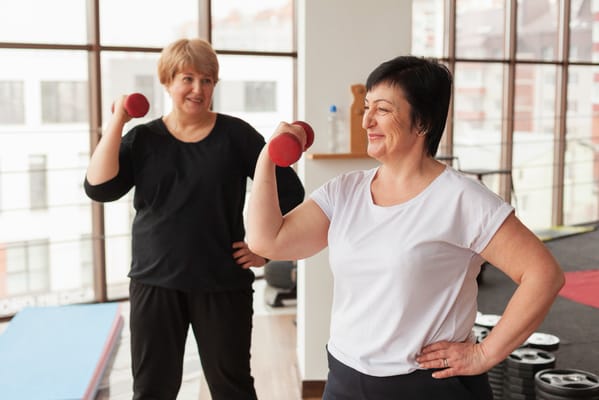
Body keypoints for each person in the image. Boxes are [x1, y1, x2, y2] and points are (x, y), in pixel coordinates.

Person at [247, 55, 565, 399]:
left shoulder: (461, 198)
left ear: (422, 122)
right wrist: (267, 157)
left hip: (425, 385)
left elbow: (543, 274)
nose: (367, 119)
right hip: (345, 378)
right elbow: (268, 241)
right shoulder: (345, 191)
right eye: (367, 107)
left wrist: (484, 353)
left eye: (383, 109)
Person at [84, 38, 304, 400]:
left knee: (231, 387)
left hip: (222, 284)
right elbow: (99, 187)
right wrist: (118, 121)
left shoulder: (238, 136)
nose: (198, 89)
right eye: (187, 78)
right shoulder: (143, 138)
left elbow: (291, 194)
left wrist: (264, 250)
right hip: (154, 283)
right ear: (168, 82)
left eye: (207, 80)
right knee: (153, 390)